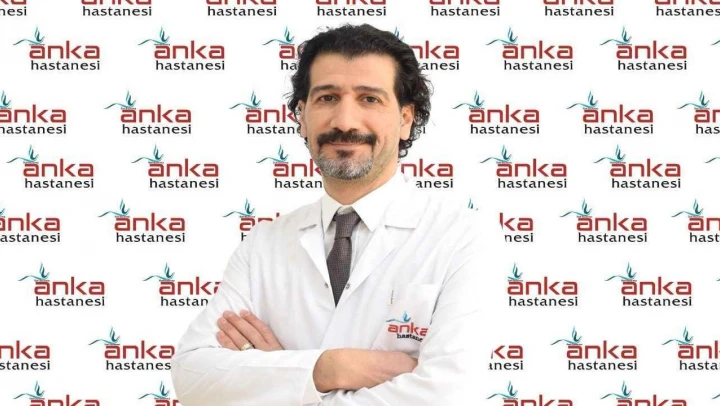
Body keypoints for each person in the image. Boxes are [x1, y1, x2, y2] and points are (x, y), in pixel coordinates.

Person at [170, 23, 482, 405]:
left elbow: (448, 394)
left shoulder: (463, 236)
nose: (345, 122)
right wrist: (329, 368)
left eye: (369, 99)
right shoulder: (263, 246)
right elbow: (192, 376)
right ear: (302, 116)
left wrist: (279, 377)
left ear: (405, 119)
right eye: (328, 98)